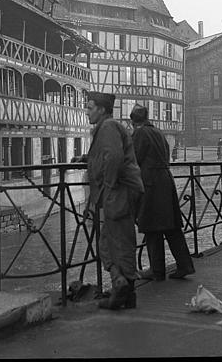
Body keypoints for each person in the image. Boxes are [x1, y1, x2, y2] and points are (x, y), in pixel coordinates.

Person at [72, 92, 144, 310]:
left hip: (118, 192)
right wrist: (86, 159)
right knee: (111, 242)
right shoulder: (108, 127)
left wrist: (109, 186)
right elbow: (107, 154)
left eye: (90, 107)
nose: (86, 112)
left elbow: (113, 157)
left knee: (117, 242)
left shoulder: (108, 127)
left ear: (102, 109)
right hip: (120, 191)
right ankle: (123, 290)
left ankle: (122, 289)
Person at [130, 104, 195, 281]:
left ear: (133, 121)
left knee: (152, 227)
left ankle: (157, 270)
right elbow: (166, 155)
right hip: (166, 181)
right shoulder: (158, 132)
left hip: (150, 182)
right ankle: (185, 265)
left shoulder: (139, 133)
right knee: (172, 226)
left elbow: (134, 158)